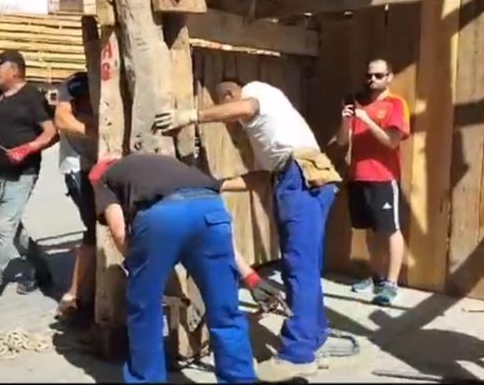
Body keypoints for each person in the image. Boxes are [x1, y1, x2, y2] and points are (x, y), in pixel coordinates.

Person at [154, 78, 340, 382]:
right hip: (311, 178)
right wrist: (214, 184)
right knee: (307, 265)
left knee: (297, 267)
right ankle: (314, 333)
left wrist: (191, 115)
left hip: (300, 178)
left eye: (224, 103)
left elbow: (245, 107)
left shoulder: (255, 91)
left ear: (229, 94)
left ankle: (298, 354)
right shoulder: (274, 126)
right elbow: (258, 178)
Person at [88, 153, 257, 383]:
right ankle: (240, 378)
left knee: (145, 310)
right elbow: (210, 219)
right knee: (225, 308)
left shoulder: (103, 179)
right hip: (212, 209)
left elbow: (119, 232)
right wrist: (249, 274)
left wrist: (139, 264)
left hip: (163, 217)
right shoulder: (162, 163)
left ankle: (147, 379)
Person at [0, 49, 57, 312]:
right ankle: (41, 268)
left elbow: (51, 132)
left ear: (14, 70)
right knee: (13, 230)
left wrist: (27, 148)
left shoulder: (32, 97)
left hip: (22, 174)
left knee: (3, 229)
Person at [335, 59, 410, 307]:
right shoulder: (358, 104)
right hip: (358, 176)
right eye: (369, 76)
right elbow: (343, 142)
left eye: (379, 75)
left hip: (383, 178)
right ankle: (376, 277)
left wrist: (366, 119)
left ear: (389, 76)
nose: (373, 80)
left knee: (390, 229)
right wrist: (346, 120)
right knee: (369, 230)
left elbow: (391, 141)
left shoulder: (396, 105)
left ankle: (391, 283)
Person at [52, 71, 99, 323]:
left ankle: (88, 292)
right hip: (79, 168)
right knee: (94, 230)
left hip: (107, 165)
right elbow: (61, 118)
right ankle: (74, 295)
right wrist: (95, 131)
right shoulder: (75, 82)